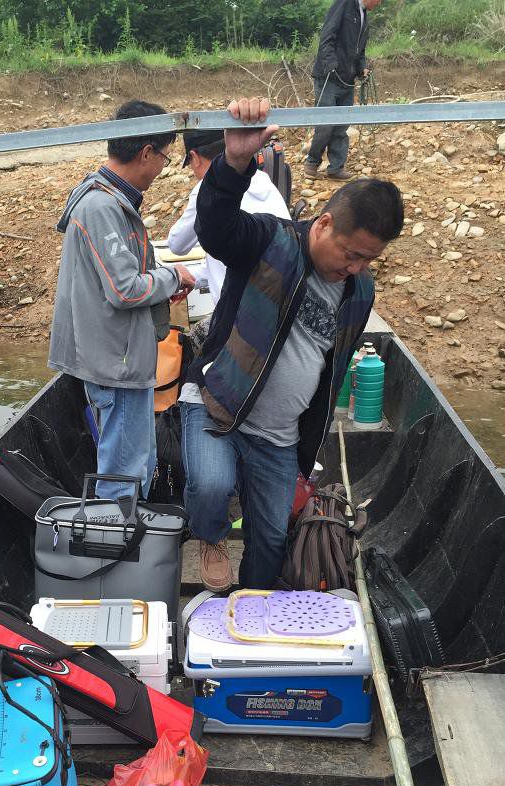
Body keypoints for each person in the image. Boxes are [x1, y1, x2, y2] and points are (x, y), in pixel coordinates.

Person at [182, 96, 403, 591]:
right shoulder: (269, 239)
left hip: (280, 438)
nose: (355, 267)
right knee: (213, 485)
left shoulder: (359, 290)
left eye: (368, 259)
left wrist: (307, 448)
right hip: (220, 403)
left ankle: (254, 610)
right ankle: (211, 534)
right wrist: (234, 162)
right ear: (323, 223)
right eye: (350, 253)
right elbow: (215, 227)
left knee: (271, 541)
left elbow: (331, 369)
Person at [48, 99, 195, 501]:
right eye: (164, 156)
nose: (163, 166)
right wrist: (171, 276)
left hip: (120, 355)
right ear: (146, 152)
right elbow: (124, 289)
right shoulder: (100, 207)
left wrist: (164, 283)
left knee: (136, 460)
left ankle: (126, 540)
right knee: (125, 473)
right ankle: (118, 550)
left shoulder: (113, 201)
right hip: (115, 360)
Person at [168, 130, 290, 307]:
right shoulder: (262, 179)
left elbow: (177, 245)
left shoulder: (205, 190)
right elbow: (235, 254)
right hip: (277, 300)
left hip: (240, 314)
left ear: (194, 157)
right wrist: (192, 276)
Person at [305, 0, 383, 181]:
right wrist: (330, 63)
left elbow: (359, 51)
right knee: (325, 124)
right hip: (328, 77)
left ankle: (335, 168)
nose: (380, 3)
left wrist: (361, 68)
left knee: (341, 126)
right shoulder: (345, 3)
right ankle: (312, 162)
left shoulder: (365, 15)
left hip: (347, 80)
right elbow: (327, 35)